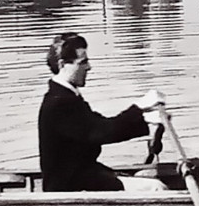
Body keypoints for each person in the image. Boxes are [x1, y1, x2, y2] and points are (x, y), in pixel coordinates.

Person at [38, 32, 165, 192]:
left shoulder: (65, 95)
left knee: (145, 178)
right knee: (155, 188)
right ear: (63, 64)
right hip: (70, 186)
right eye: (82, 62)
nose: (89, 67)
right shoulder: (59, 103)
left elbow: (100, 125)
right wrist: (140, 107)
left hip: (82, 176)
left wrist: (146, 119)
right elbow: (101, 132)